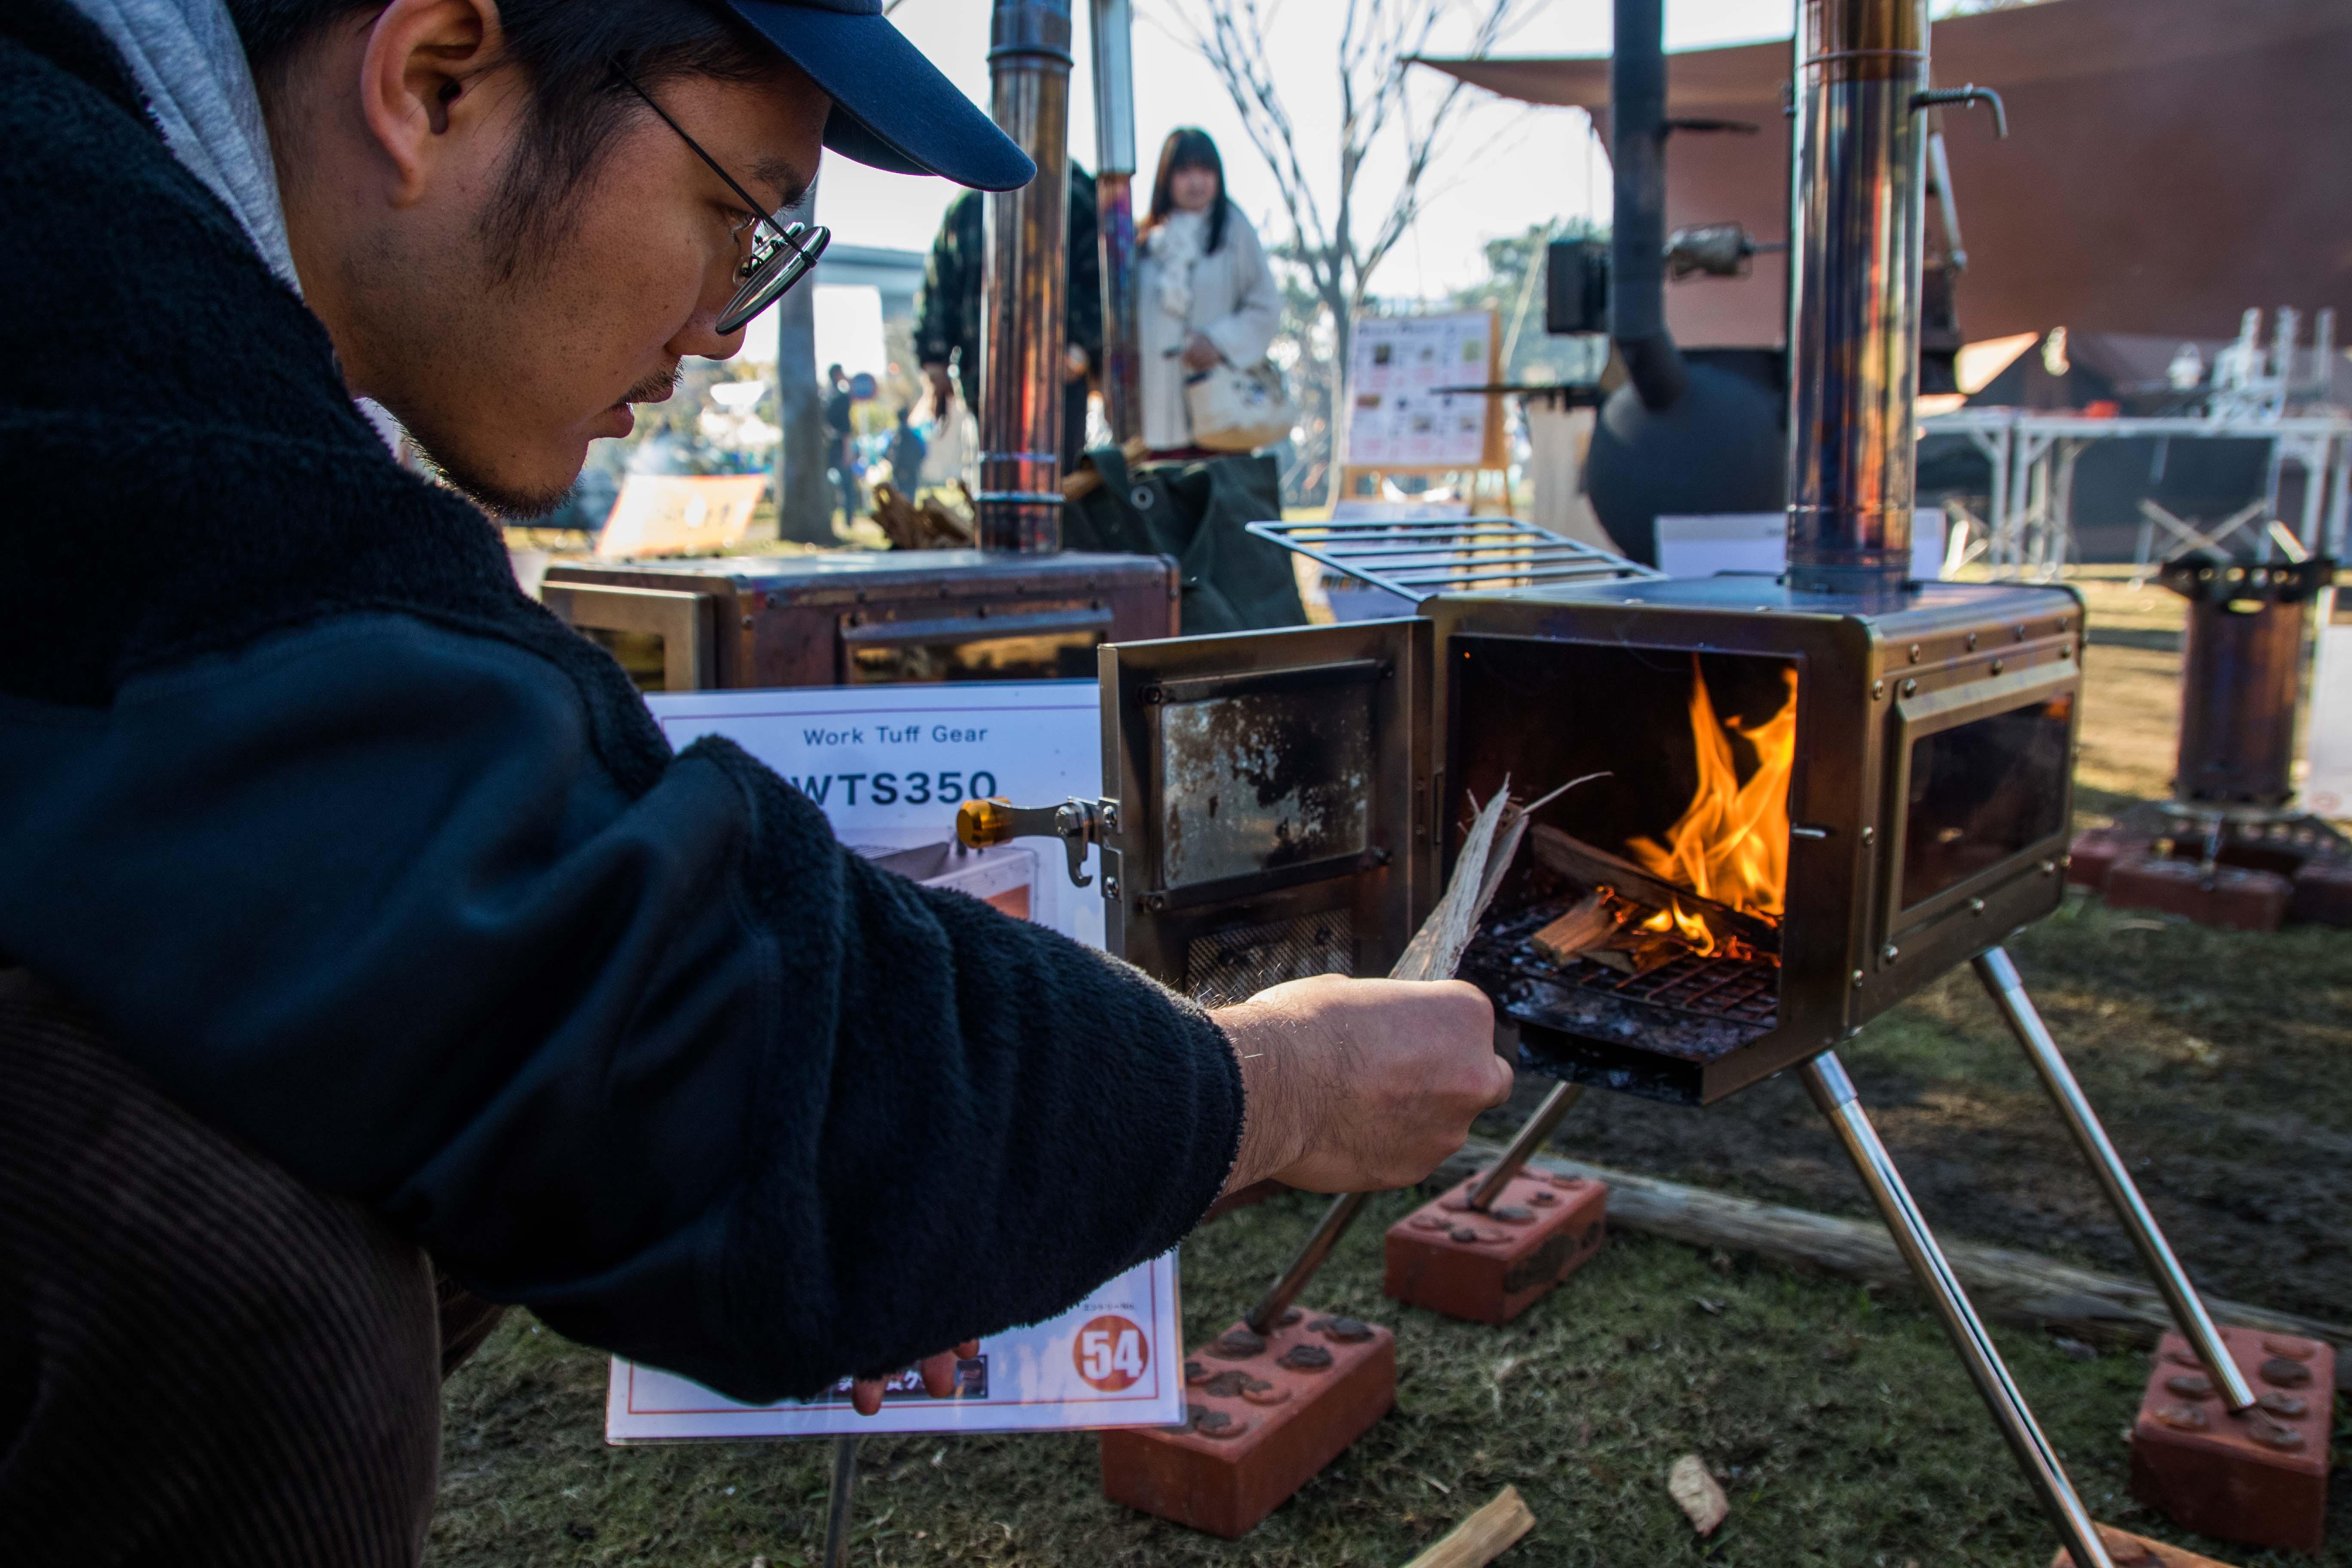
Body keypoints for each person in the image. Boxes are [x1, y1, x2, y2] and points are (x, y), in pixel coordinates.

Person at [0, 0, 1509, 1558]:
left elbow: (524, 929)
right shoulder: (74, 308)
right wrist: (1272, 1085)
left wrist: (914, 1213)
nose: (726, 322)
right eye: (733, 213)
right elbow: (621, 987)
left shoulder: (152, 276)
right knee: (236, 1242)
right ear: (432, 79)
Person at [912, 161, 1101, 473]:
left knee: (1060, 481)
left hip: (1060, 379)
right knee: (989, 479)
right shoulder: (969, 203)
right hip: (983, 378)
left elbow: (1099, 280)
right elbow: (941, 286)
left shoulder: (1075, 194)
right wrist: (934, 359)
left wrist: (1083, 345)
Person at [1136, 126, 1283, 458]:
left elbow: (1265, 306)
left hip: (1220, 410)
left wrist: (1218, 342)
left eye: (1205, 171)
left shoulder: (1234, 230)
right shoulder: (1143, 242)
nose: (1196, 182)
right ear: (1167, 177)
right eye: (1185, 171)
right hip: (1154, 415)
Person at [822, 360, 856, 523]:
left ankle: (831, 517)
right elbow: (846, 428)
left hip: (826, 447)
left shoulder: (824, 396)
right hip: (839, 446)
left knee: (830, 485)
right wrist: (848, 450)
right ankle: (848, 520)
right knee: (848, 487)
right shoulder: (842, 398)